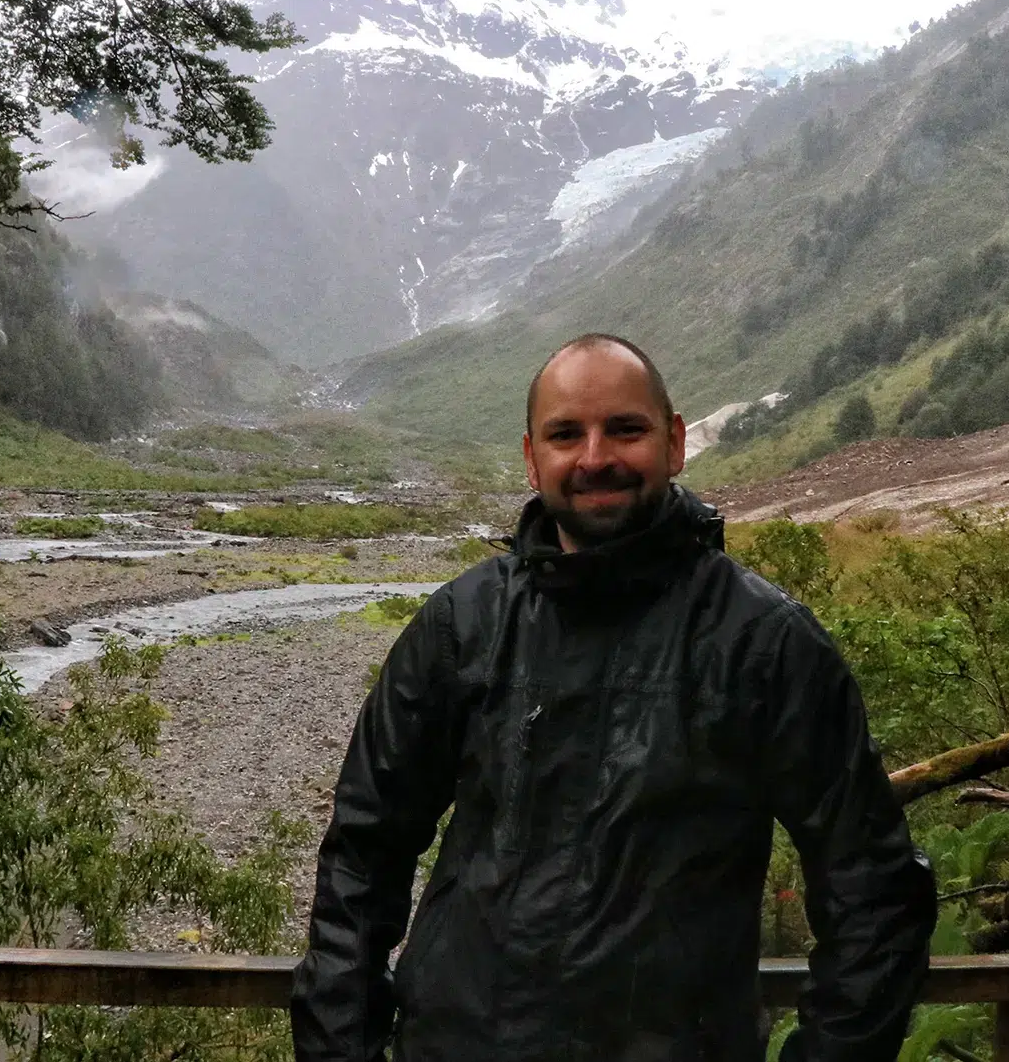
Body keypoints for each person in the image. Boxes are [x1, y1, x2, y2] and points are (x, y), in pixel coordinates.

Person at [291, 333, 937, 1062]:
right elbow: (361, 858)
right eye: (567, 433)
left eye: (624, 428)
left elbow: (877, 895)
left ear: (675, 441)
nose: (595, 456)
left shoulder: (763, 643)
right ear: (533, 457)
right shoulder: (461, 626)